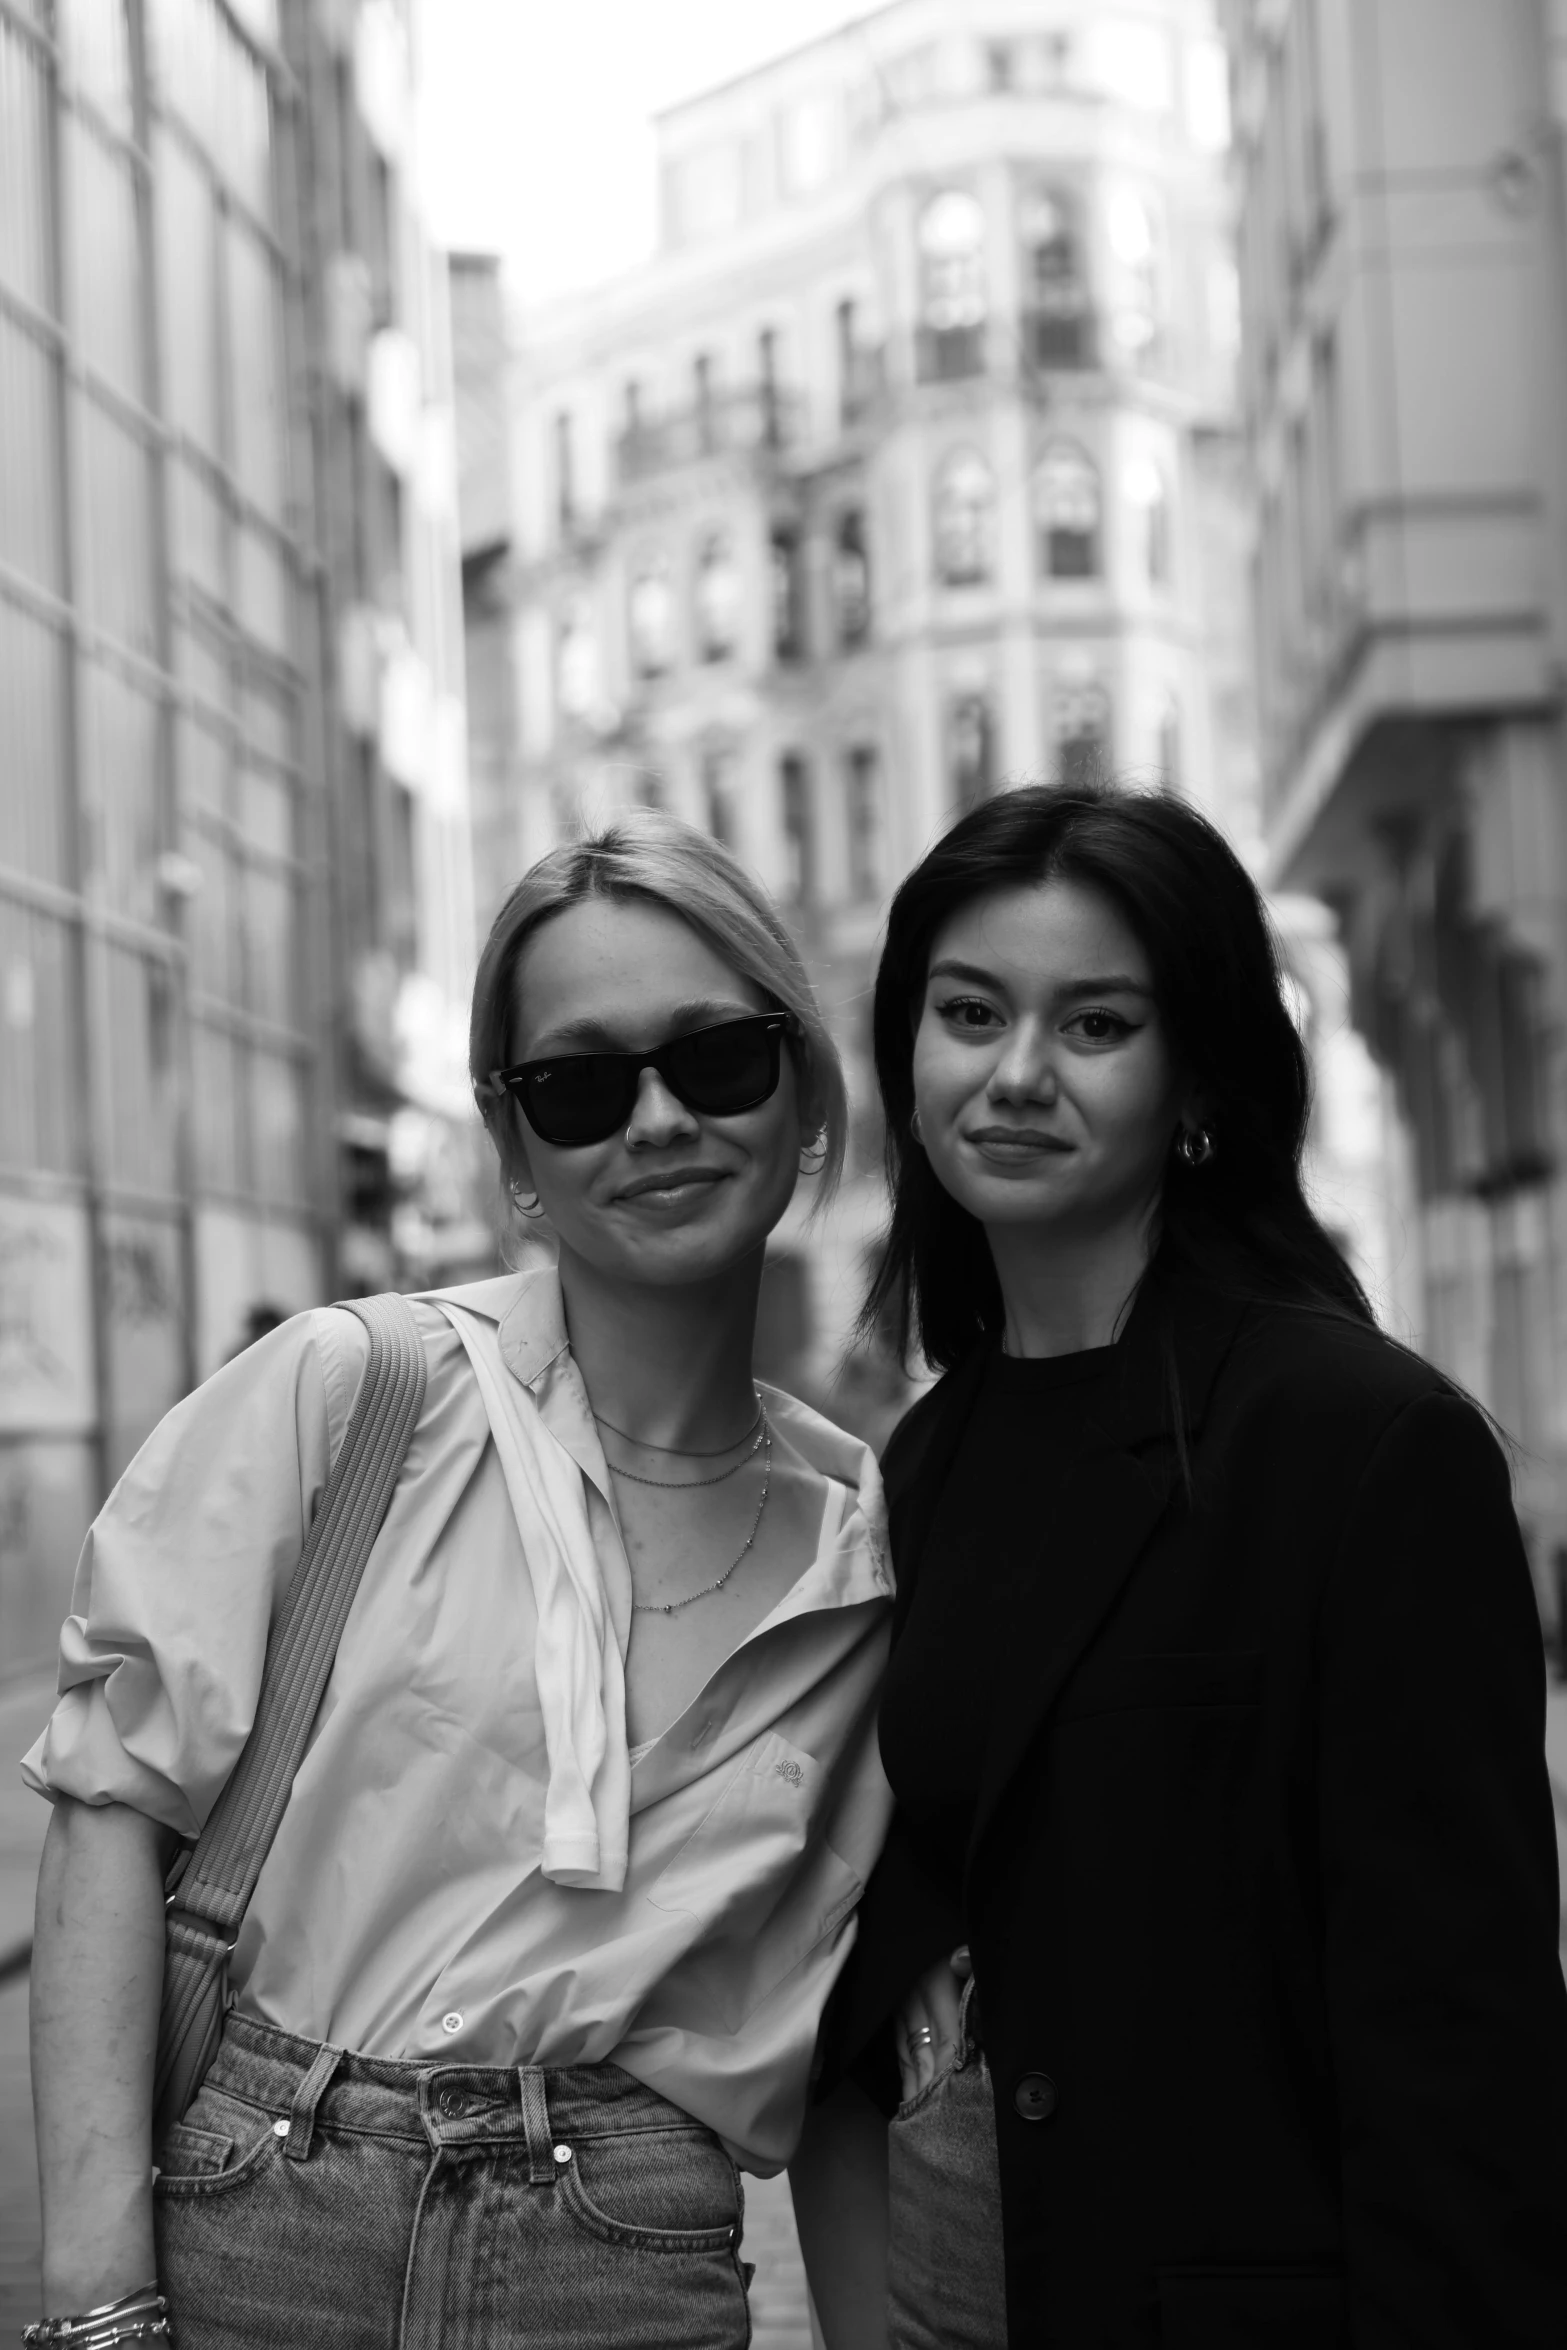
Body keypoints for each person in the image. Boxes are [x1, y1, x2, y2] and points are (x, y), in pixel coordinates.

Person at [26, 812, 893, 2350]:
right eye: (576, 1085)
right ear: (512, 1150)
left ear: (804, 1089)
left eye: (717, 1059)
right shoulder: (357, 1393)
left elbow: (841, 2045)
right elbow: (110, 1804)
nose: (655, 1121)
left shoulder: (864, 1553)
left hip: (626, 2249)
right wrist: (97, 2298)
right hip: (270, 2214)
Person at [797, 782, 1567, 2349]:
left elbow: (1462, 2055)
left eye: (1094, 1025)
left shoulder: (1359, 1442)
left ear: (1195, 1078)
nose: (1014, 1074)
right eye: (967, 1012)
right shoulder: (920, 1469)